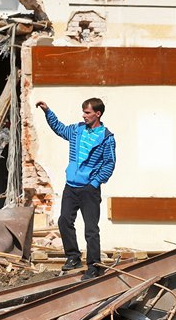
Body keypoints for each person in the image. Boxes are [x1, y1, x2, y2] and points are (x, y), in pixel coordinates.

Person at [36, 98, 116, 280]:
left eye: (87, 113)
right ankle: (73, 257)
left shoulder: (106, 138)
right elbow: (60, 128)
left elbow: (109, 164)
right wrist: (47, 111)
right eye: (83, 112)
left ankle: (94, 267)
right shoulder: (77, 130)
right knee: (64, 221)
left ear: (98, 114)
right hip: (71, 187)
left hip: (89, 189)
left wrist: (95, 183)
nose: (84, 115)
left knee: (91, 230)